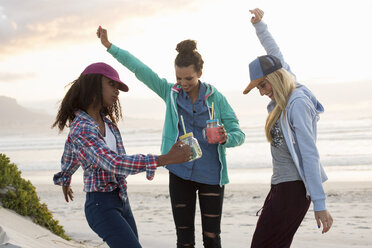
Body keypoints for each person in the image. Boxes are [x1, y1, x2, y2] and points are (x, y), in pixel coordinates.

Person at [97, 27, 245, 248]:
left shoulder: (217, 98)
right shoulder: (170, 93)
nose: (183, 83)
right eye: (178, 78)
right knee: (184, 240)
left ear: (200, 73)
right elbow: (140, 69)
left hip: (211, 174)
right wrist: (110, 47)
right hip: (180, 172)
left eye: (189, 78)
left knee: (212, 238)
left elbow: (238, 133)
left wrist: (226, 138)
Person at [52, 62, 192, 248]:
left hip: (120, 199)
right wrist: (164, 159)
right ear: (93, 84)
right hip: (100, 206)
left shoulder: (107, 123)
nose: (117, 91)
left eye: (118, 87)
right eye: (111, 84)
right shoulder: (82, 128)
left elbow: (71, 152)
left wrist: (65, 178)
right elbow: (113, 163)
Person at [243, 8, 333, 248]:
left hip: (292, 190)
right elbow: (275, 54)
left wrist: (320, 203)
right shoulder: (284, 95)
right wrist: (260, 26)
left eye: (263, 85)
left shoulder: (297, 104)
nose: (262, 92)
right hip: (281, 186)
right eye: (258, 88)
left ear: (275, 77)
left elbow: (309, 153)